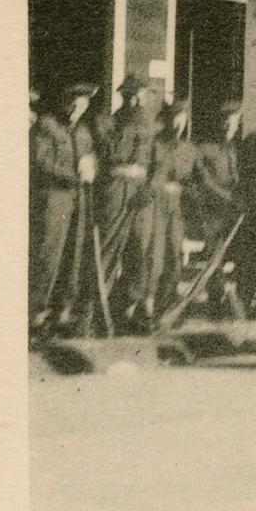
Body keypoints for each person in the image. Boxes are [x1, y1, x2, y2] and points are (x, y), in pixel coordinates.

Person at [29, 82, 99, 337]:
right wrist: (74, 177)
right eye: (73, 101)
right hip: (53, 200)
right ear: (64, 101)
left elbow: (90, 159)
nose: (77, 107)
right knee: (48, 254)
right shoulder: (46, 126)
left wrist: (92, 170)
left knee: (74, 254)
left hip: (77, 202)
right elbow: (41, 161)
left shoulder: (83, 132)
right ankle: (36, 313)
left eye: (83, 102)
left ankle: (62, 312)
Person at [95, 73, 158, 328]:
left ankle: (129, 308)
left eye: (141, 96)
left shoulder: (149, 125)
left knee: (139, 250)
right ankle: (99, 309)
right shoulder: (108, 123)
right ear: (124, 97)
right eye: (133, 96)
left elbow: (157, 161)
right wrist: (133, 123)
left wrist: (149, 189)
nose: (138, 101)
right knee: (110, 248)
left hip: (141, 191)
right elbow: (112, 154)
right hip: (116, 189)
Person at [190, 100, 256, 317]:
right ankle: (216, 301)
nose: (230, 128)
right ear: (219, 124)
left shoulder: (237, 149)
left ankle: (239, 300)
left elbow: (242, 179)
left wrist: (246, 196)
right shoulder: (204, 149)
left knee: (241, 255)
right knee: (215, 257)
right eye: (226, 124)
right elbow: (205, 181)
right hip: (213, 212)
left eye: (234, 124)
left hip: (235, 213)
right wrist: (230, 198)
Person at [139, 98, 197, 332]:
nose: (177, 123)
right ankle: (147, 307)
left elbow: (195, 180)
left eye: (181, 118)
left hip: (176, 205)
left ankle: (166, 308)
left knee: (174, 253)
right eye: (173, 117)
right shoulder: (156, 145)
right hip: (155, 203)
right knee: (155, 255)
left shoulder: (189, 149)